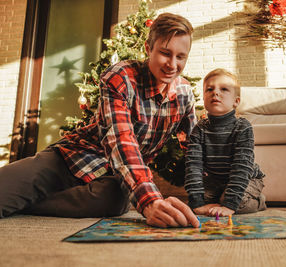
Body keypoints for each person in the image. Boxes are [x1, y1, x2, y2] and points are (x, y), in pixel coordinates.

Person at [0, 13, 200, 228]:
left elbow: (193, 146)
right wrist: (150, 201)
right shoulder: (121, 76)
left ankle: (28, 205)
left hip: (115, 178)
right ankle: (23, 197)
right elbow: (121, 140)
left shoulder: (184, 93)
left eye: (181, 57)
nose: (172, 64)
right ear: (148, 49)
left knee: (115, 200)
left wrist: (207, 196)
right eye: (165, 53)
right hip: (72, 158)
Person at [184, 68, 266, 217]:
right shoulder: (199, 129)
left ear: (236, 101)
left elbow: (242, 167)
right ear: (204, 98)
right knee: (193, 202)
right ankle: (222, 197)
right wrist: (197, 204)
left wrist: (229, 205)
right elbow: (193, 166)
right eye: (209, 89)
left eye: (223, 89)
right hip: (216, 181)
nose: (215, 92)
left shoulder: (243, 127)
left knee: (236, 203)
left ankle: (259, 201)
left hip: (247, 178)